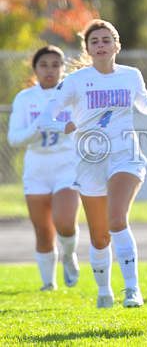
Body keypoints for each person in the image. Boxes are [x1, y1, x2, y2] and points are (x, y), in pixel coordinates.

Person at [38, 19, 147, 308]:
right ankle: (104, 291)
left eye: (106, 40)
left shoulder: (130, 75)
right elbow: (45, 118)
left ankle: (133, 290)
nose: (101, 45)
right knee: (100, 236)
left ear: (117, 45)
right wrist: (62, 126)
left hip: (125, 156)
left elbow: (145, 105)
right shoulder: (76, 81)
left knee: (117, 220)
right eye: (95, 42)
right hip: (89, 162)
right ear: (88, 49)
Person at [8, 45, 81, 292]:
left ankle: (69, 255)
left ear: (63, 69)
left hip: (67, 166)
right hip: (37, 169)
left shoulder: (72, 95)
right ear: (35, 69)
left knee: (64, 223)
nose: (49, 71)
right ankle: (48, 284)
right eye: (44, 65)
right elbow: (14, 139)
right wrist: (38, 128)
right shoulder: (25, 98)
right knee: (42, 230)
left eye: (55, 65)